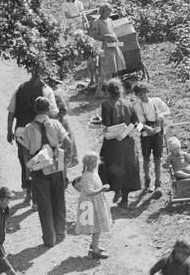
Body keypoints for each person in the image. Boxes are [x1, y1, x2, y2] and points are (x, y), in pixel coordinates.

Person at [21, 97, 69, 247]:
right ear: (48, 109)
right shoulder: (56, 124)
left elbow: (25, 150)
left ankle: (49, 239)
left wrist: (27, 168)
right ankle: (60, 232)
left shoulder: (28, 128)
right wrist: (64, 159)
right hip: (55, 164)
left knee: (44, 204)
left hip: (38, 167)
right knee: (58, 199)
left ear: (35, 110)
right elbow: (68, 142)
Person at [7, 66, 59, 198]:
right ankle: (36, 195)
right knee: (38, 160)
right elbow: (53, 113)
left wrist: (9, 130)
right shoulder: (46, 90)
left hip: (21, 131)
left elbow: (11, 111)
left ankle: (27, 190)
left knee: (23, 160)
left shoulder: (20, 88)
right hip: (38, 132)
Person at [98, 78, 142, 208]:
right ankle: (125, 198)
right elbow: (138, 124)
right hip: (128, 142)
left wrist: (101, 124)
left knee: (112, 165)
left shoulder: (106, 105)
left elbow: (106, 124)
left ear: (108, 92)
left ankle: (116, 189)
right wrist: (133, 131)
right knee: (128, 167)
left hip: (113, 142)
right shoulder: (129, 104)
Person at [132, 82, 170, 196]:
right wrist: (144, 128)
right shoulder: (136, 107)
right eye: (140, 94)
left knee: (158, 158)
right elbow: (135, 124)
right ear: (137, 95)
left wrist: (162, 116)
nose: (143, 96)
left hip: (158, 133)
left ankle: (158, 184)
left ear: (147, 92)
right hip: (145, 136)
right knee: (146, 158)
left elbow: (168, 111)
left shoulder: (156, 101)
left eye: (144, 93)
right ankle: (147, 182)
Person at [72, 154, 112, 260]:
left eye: (95, 162)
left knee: (97, 226)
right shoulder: (87, 175)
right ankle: (95, 251)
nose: (93, 164)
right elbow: (89, 192)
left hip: (96, 202)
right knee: (96, 226)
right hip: (91, 204)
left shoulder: (93, 172)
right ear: (86, 164)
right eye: (90, 163)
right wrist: (102, 189)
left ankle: (95, 245)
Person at [88, 4, 125, 96]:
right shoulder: (97, 22)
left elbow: (113, 32)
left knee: (112, 69)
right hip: (103, 48)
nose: (108, 13)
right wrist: (104, 37)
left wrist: (116, 40)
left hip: (112, 46)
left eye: (109, 11)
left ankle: (110, 91)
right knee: (104, 70)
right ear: (102, 11)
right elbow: (92, 35)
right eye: (106, 11)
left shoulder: (110, 20)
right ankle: (98, 92)